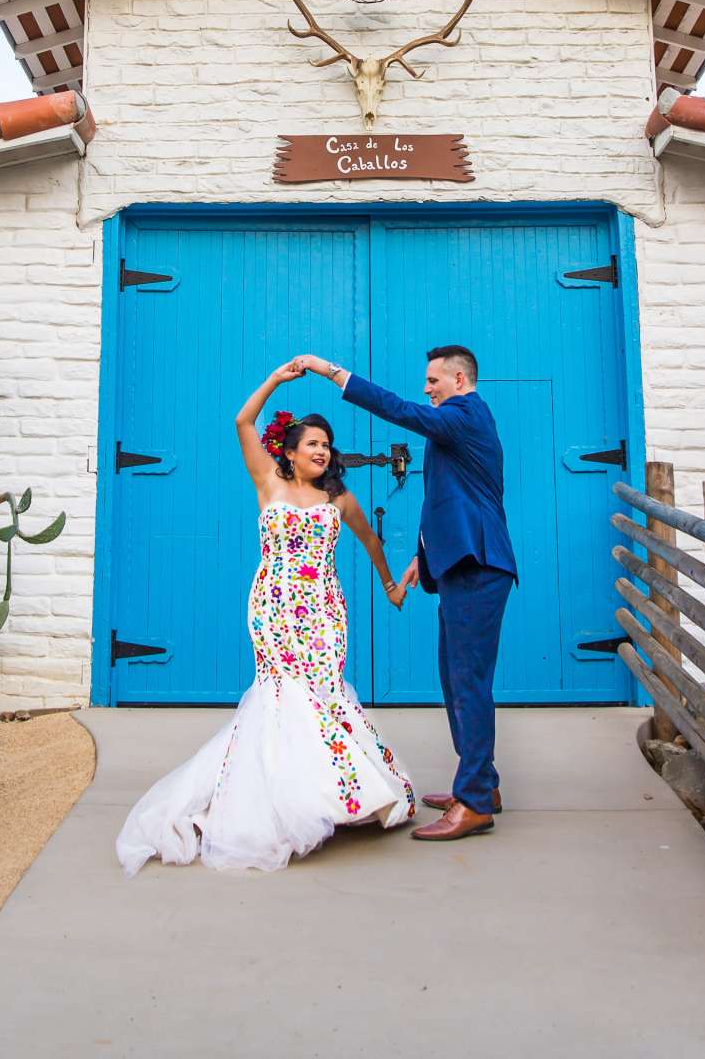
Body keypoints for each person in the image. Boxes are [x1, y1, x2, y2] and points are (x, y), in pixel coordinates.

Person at [115, 360, 417, 874]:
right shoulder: (268, 482)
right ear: (291, 452)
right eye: (312, 445)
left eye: (326, 444)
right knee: (282, 694)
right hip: (273, 607)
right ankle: (281, 801)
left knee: (322, 692)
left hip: (324, 609)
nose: (322, 451)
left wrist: (391, 584)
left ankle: (337, 796)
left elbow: (370, 541)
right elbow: (242, 422)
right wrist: (276, 380)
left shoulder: (338, 497)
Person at [298, 345, 512, 842]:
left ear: (459, 379)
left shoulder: (465, 413)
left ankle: (476, 802)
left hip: (480, 569)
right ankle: (482, 784)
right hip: (460, 566)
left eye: (434, 380)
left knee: (469, 682)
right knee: (456, 681)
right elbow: (448, 497)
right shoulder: (457, 422)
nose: (426, 388)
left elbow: (399, 409)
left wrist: (331, 372)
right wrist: (424, 555)